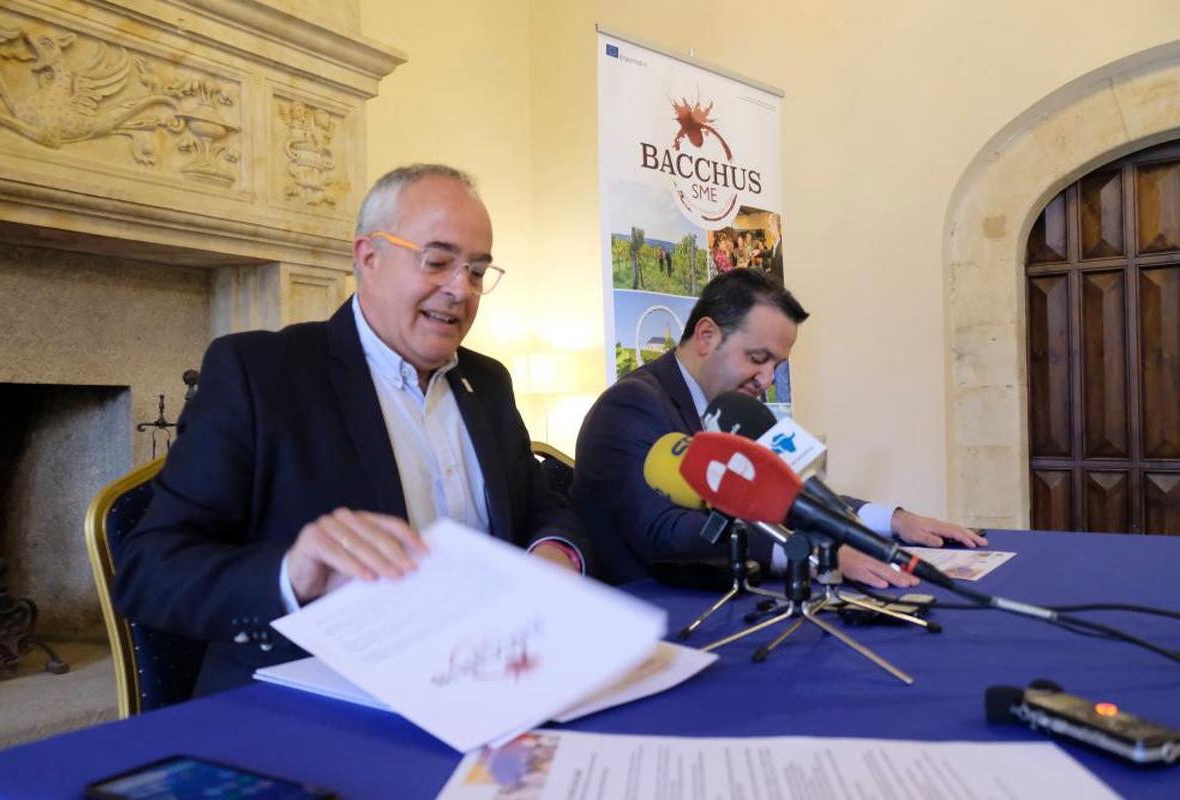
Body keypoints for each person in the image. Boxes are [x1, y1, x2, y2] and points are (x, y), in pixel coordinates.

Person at [113, 164, 589, 695]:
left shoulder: (488, 381)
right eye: (437, 262)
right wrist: (294, 574)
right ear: (368, 257)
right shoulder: (260, 374)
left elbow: (542, 502)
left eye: (477, 272)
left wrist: (554, 551)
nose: (461, 290)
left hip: (490, 680)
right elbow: (148, 571)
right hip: (317, 701)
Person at [572, 268, 984, 586]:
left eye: (777, 366)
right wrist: (809, 553)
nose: (767, 381)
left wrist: (892, 521)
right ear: (706, 335)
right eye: (757, 358)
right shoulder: (631, 407)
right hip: (651, 618)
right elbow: (670, 533)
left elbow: (792, 492)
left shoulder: (739, 412)